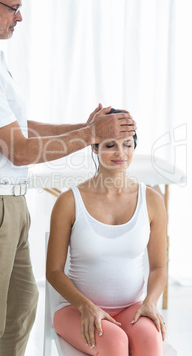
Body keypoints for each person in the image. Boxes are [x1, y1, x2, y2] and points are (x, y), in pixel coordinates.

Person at [0, 0, 136, 356]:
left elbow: (22, 128)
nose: (19, 16)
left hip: (9, 202)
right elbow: (19, 150)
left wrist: (83, 125)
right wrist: (91, 136)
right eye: (13, 7)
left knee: (22, 305)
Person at [46, 108, 167, 356]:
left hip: (131, 307)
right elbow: (53, 271)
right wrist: (86, 307)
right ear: (94, 147)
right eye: (111, 145)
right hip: (75, 308)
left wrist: (150, 303)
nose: (121, 153)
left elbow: (159, 267)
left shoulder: (152, 201)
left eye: (127, 144)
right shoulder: (69, 201)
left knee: (150, 341)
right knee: (114, 344)